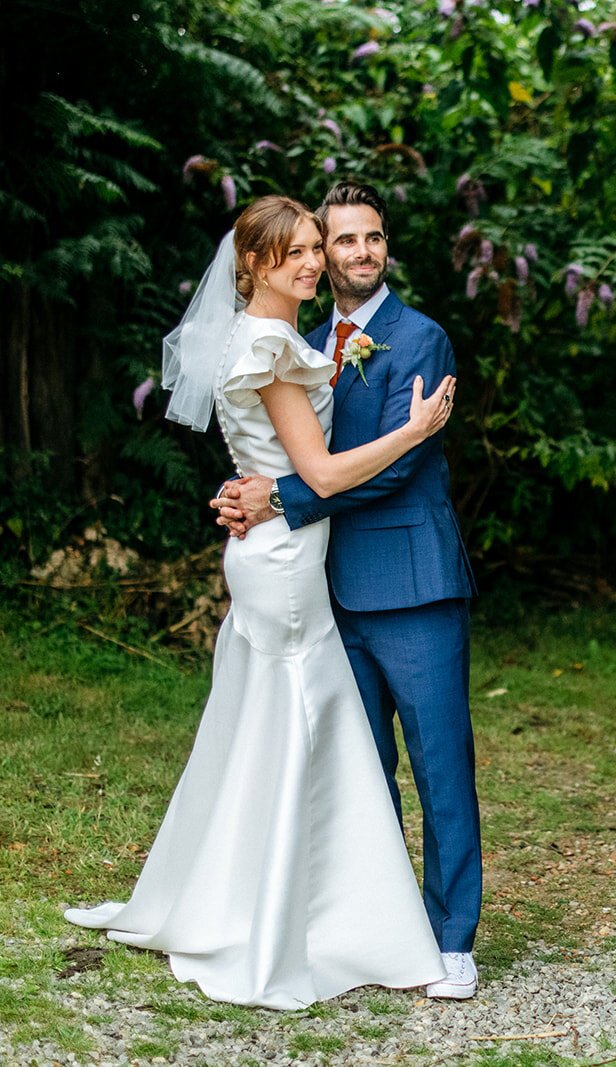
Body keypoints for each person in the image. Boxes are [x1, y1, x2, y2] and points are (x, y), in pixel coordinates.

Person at [66, 195, 457, 1009]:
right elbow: (317, 470)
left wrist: (266, 492)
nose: (318, 261)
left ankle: (400, 927)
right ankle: (298, 918)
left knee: (303, 733)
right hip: (289, 568)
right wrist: (410, 432)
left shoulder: (351, 337)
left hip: (326, 561)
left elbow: (293, 466)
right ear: (251, 265)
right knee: (302, 728)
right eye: (302, 251)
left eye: (327, 245)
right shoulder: (282, 342)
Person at [211, 181, 481, 1000]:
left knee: (440, 766)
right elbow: (286, 445)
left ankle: (452, 937)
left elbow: (398, 464)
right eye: (345, 240)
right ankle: (377, 928)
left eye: (374, 238)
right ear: (319, 253)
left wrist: (280, 497)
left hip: (411, 582)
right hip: (324, 589)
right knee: (360, 771)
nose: (362, 252)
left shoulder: (420, 338)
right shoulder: (304, 337)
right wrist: (245, 487)